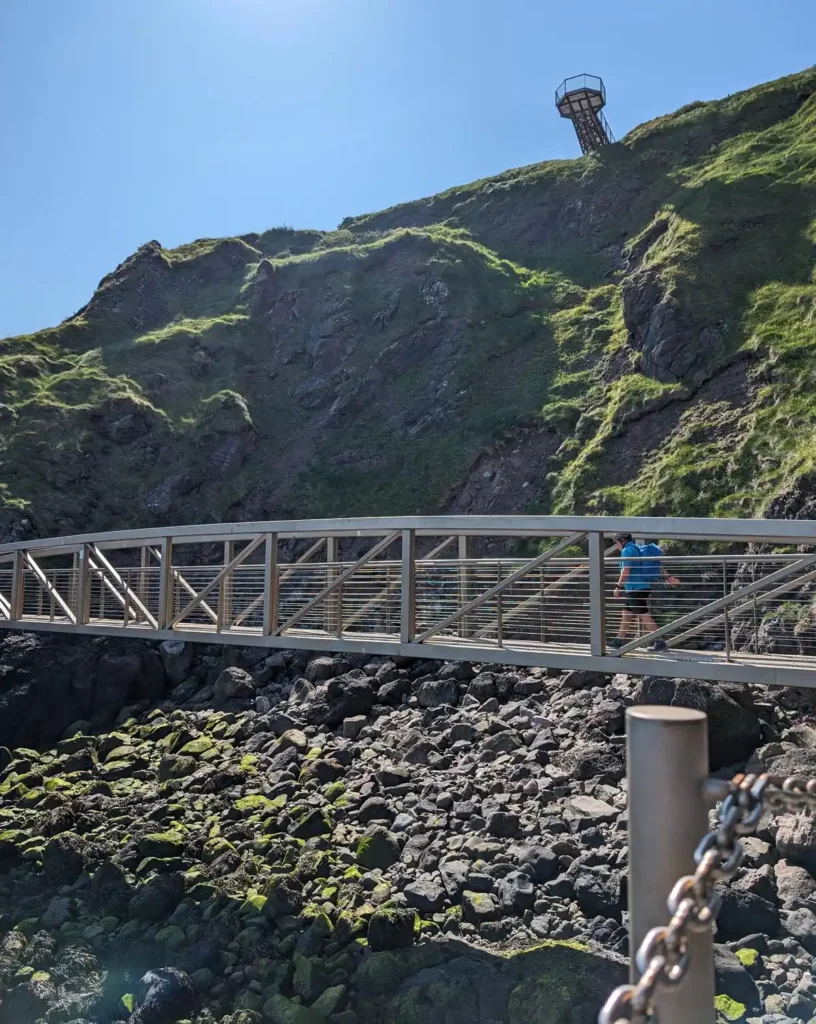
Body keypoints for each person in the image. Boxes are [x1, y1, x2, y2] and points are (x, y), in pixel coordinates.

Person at [609, 533, 679, 651]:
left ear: (622, 540)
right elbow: (656, 565)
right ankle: (618, 640)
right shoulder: (638, 548)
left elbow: (625, 571)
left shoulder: (627, 551)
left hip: (635, 588)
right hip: (640, 587)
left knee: (643, 614)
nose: (616, 545)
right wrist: (668, 576)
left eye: (616, 541)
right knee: (627, 613)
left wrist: (618, 587)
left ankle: (659, 641)